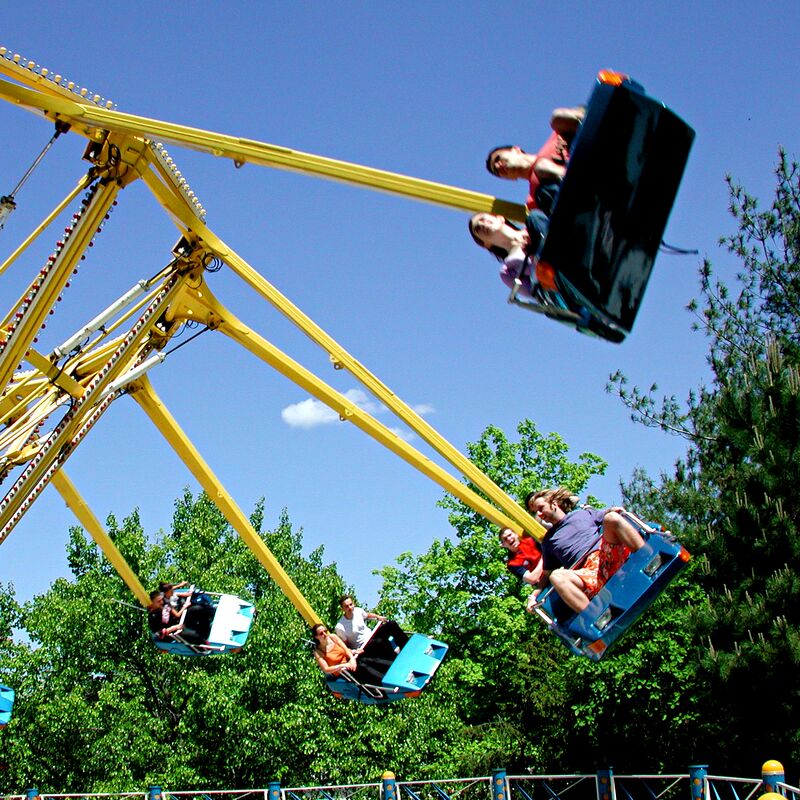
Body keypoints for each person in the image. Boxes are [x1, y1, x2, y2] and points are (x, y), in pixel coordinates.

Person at [526, 487, 645, 613]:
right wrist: (533, 597)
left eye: (540, 508)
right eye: (535, 511)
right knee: (556, 576)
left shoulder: (581, 514)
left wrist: (613, 510)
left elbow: (606, 514)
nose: (538, 514)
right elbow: (546, 574)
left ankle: (646, 558)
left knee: (611, 518)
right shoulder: (548, 541)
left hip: (606, 554)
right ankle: (593, 615)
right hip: (588, 574)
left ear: (554, 504)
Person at [485, 107, 584, 215]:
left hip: (589, 155)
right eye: (496, 171)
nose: (498, 166)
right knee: (540, 168)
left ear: (516, 150)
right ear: (510, 179)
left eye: (498, 159)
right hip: (580, 197)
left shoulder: (555, 136)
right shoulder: (533, 199)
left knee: (557, 117)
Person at [498, 528, 543, 613]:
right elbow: (532, 579)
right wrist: (545, 558)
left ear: (516, 534)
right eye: (505, 539)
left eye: (510, 535)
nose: (509, 539)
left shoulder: (531, 541)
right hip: (543, 585)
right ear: (503, 544)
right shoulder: (512, 564)